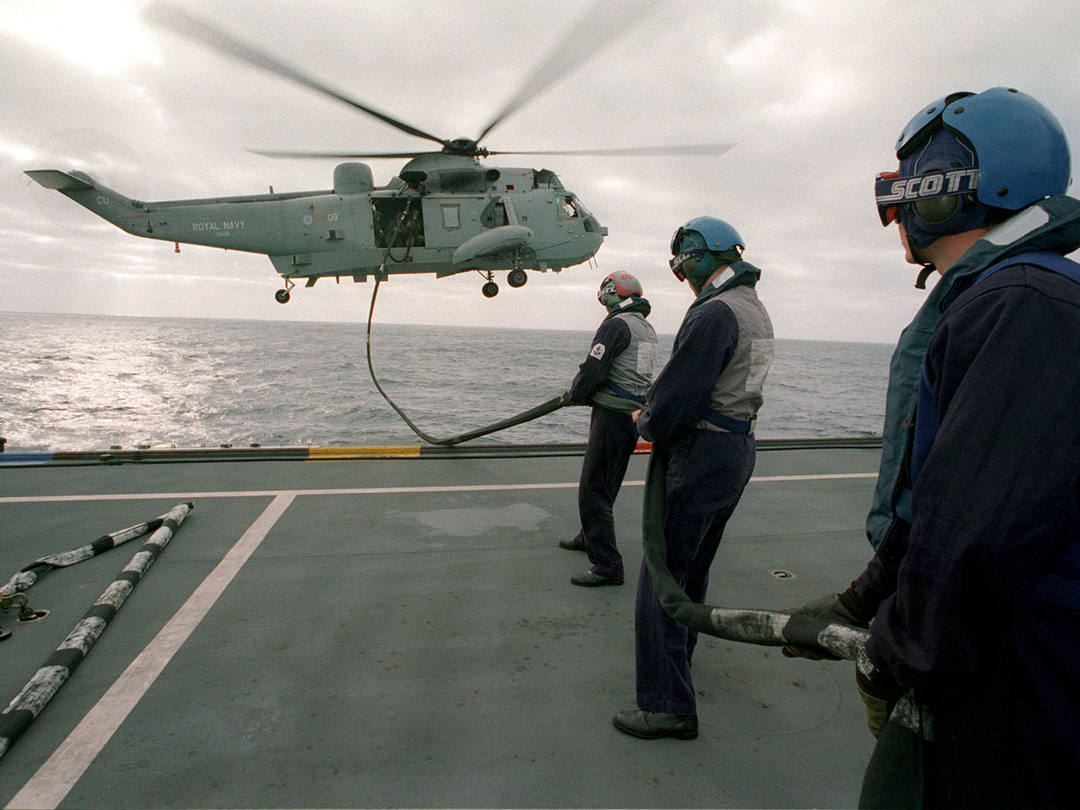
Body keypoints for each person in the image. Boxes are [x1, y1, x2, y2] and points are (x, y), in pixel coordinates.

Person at [788, 87, 1080, 807]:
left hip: (1026, 669)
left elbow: (978, 533)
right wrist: (865, 598)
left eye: (904, 182)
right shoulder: (1018, 294)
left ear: (948, 185)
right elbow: (946, 493)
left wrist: (894, 658)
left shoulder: (1023, 306)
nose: (895, 207)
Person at [612, 216, 773, 739]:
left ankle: (667, 703)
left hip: (701, 453)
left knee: (661, 574)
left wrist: (647, 419)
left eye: (682, 257)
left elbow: (680, 394)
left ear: (705, 255)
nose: (678, 268)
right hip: (737, 450)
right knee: (695, 567)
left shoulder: (713, 314)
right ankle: (679, 653)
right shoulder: (752, 307)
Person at [561, 271, 658, 587]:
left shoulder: (616, 325)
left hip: (613, 415)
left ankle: (607, 566)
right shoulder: (645, 327)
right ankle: (589, 536)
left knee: (593, 489)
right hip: (631, 416)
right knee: (608, 482)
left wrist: (577, 394)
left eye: (605, 289)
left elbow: (594, 368)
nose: (601, 294)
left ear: (615, 292)